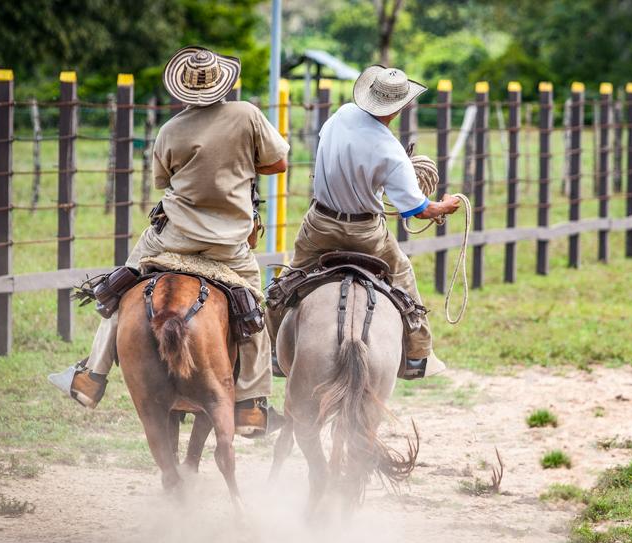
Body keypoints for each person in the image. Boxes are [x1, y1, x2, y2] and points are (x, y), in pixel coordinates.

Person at [48, 46, 289, 435]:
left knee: (122, 289)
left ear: (184, 91)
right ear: (223, 82)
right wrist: (240, 163)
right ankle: (251, 404)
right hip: (229, 244)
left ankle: (91, 377)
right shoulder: (247, 115)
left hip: (171, 238)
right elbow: (278, 163)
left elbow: (164, 182)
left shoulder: (170, 130)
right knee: (253, 310)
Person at [278, 65, 460, 378]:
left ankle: (271, 349)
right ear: (400, 106)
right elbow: (418, 210)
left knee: (288, 279)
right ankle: (418, 353)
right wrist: (444, 206)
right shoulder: (392, 152)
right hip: (366, 233)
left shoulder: (342, 115)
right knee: (402, 274)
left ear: (369, 95)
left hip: (320, 224)